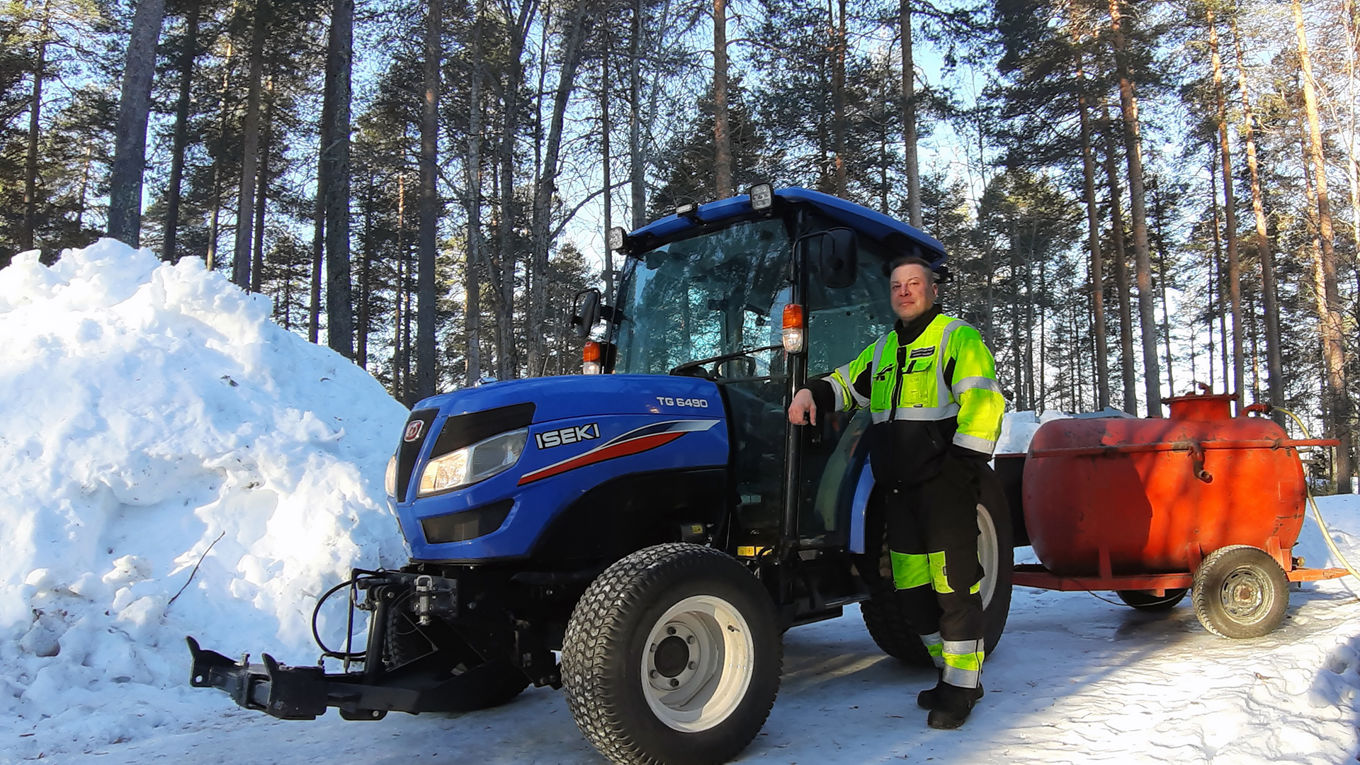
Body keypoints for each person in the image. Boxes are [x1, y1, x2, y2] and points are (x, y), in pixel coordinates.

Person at [787, 255, 1004, 729]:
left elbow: (984, 403)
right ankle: (947, 672)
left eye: (914, 284)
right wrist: (810, 393)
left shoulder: (956, 337)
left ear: (932, 290)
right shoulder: (884, 350)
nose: (904, 292)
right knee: (911, 591)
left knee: (954, 586)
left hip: (943, 487)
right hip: (899, 491)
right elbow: (846, 384)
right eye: (897, 285)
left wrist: (961, 468)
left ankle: (963, 688)